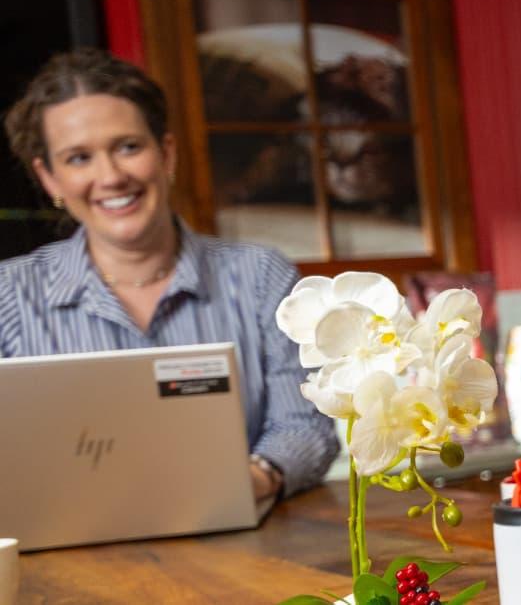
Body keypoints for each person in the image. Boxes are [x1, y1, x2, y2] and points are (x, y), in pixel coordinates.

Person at [0, 49, 339, 507]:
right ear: (50, 178)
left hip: (241, 547)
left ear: (167, 152)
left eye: (128, 147)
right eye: (79, 158)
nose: (111, 176)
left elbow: (305, 425)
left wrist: (254, 480)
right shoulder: (10, 296)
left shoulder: (262, 277)